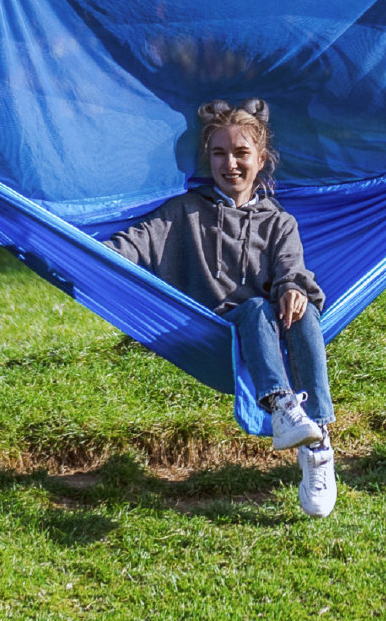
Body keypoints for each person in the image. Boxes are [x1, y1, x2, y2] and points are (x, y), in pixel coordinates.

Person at [107, 98, 337, 517]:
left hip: (273, 324)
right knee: (253, 309)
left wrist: (291, 288)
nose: (230, 163)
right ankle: (282, 406)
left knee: (302, 307)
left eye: (241, 153)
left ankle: (317, 441)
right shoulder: (185, 213)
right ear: (207, 158)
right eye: (219, 153)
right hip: (210, 327)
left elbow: (291, 266)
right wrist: (81, 257)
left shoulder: (278, 221)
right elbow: (135, 243)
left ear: (262, 159)